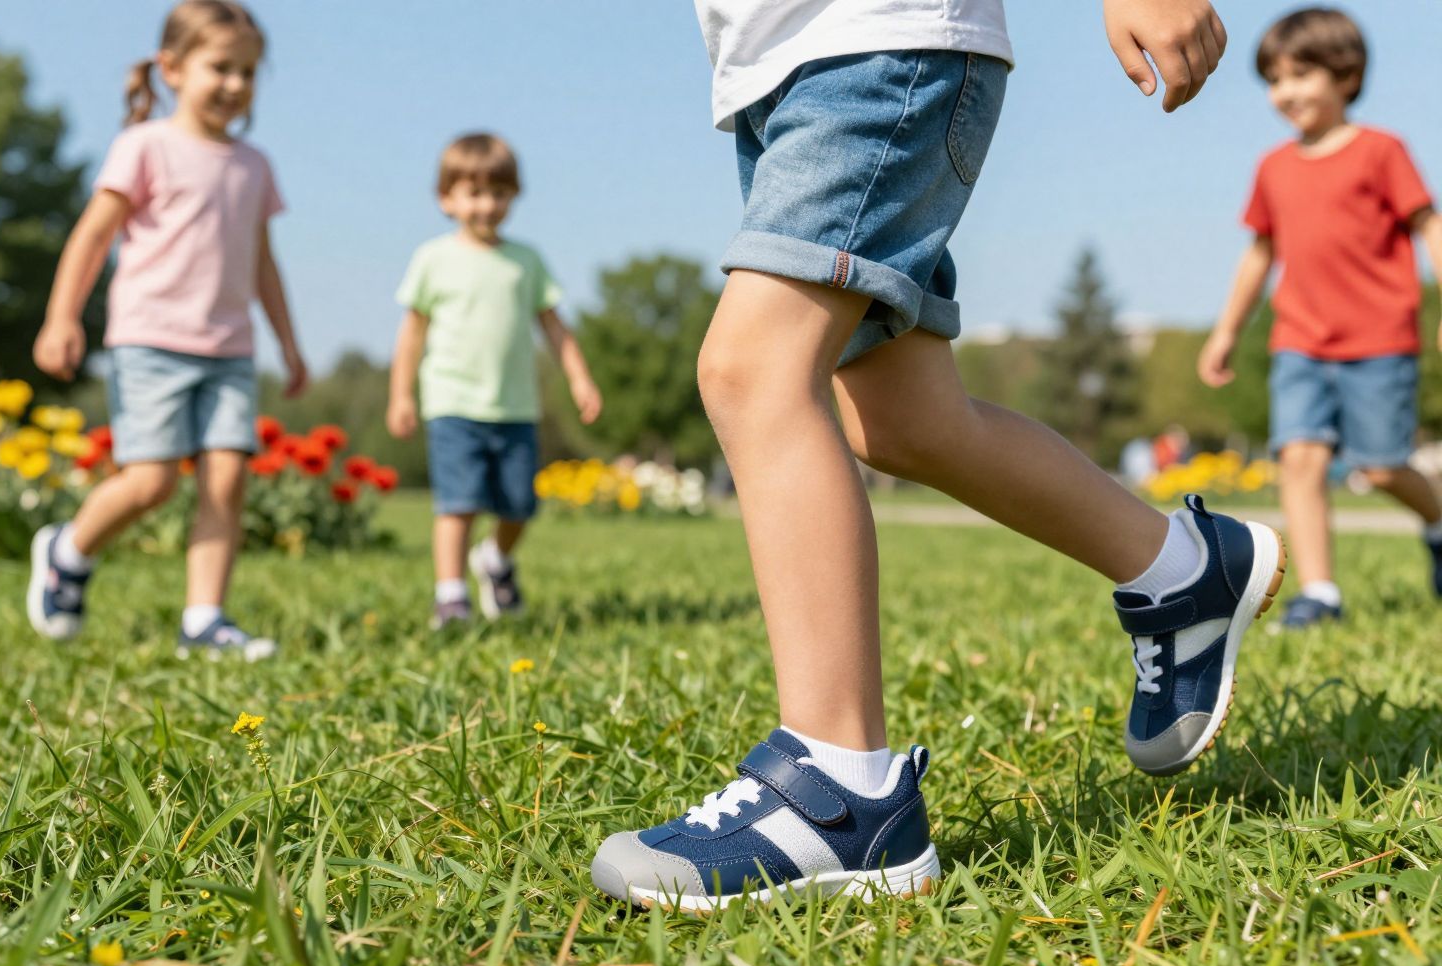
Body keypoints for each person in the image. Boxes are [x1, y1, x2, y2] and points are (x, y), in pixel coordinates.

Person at [591, 0, 1286, 912]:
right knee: (906, 419)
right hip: (779, 67)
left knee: (753, 373)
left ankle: (839, 791)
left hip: (877, 46)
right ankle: (1184, 569)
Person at [27, 0, 306, 660]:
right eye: (221, 68)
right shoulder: (145, 146)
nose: (236, 85)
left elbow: (263, 263)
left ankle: (204, 619)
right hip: (151, 340)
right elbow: (93, 236)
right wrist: (62, 316)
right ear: (173, 68)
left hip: (230, 348)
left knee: (226, 479)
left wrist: (289, 344)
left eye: (248, 72)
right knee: (151, 483)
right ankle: (67, 552)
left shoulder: (254, 165)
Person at [1198, 7, 1442, 630]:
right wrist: (1228, 330)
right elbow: (1260, 253)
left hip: (1380, 339)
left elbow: (1428, 225)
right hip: (1299, 341)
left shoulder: (1382, 152)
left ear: (1345, 75)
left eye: (1301, 74)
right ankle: (1322, 593)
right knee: (1300, 460)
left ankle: (1438, 521)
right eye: (1274, 79)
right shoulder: (1273, 168)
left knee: (1381, 465)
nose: (1285, 92)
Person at [386, 134, 602, 629]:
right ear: (447, 198)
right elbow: (411, 336)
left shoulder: (526, 261)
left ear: (513, 197)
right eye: (474, 193)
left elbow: (554, 326)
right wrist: (401, 395)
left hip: (515, 407)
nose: (487, 205)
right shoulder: (432, 259)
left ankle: (495, 561)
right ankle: (451, 597)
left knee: (519, 506)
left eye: (499, 194)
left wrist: (579, 377)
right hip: (452, 402)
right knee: (457, 504)